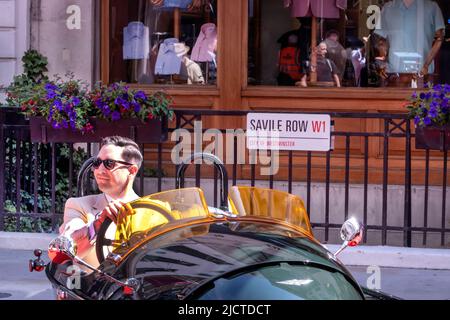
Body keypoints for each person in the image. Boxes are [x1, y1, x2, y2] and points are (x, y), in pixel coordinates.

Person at [59, 136, 142, 268]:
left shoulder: (151, 211)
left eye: (109, 163)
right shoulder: (78, 205)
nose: (99, 170)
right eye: (97, 163)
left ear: (131, 171)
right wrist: (97, 225)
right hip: (93, 286)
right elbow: (69, 248)